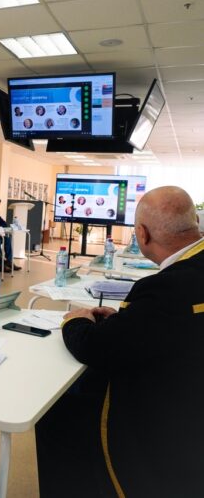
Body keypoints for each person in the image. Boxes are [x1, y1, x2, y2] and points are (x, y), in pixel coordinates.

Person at [36, 186, 204, 497]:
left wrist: (75, 320)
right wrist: (127, 320)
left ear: (142, 234)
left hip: (163, 417)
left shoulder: (163, 289)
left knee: (56, 412)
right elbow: (167, 326)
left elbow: (95, 348)